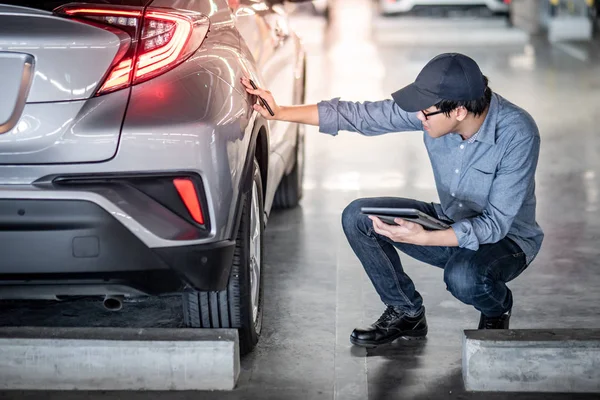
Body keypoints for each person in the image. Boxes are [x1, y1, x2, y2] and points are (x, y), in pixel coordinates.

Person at [241, 52, 544, 348]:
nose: (419, 117)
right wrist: (280, 112)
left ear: (459, 111)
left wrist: (426, 238)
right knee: (359, 218)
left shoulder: (518, 133)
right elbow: (361, 115)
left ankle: (497, 307)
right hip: (452, 220)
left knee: (463, 277)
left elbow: (494, 224)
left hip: (506, 242)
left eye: (426, 112)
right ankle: (406, 312)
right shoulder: (437, 111)